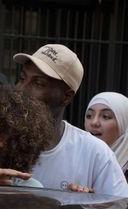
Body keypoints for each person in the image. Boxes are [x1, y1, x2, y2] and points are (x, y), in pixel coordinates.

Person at [13, 44, 128, 196]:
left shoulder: (96, 154)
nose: (21, 90)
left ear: (66, 97)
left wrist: (84, 206)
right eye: (22, 79)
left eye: (38, 83)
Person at [84, 92, 128, 176]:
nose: (94, 122)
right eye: (89, 116)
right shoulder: (74, 157)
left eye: (106, 116)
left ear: (124, 124)